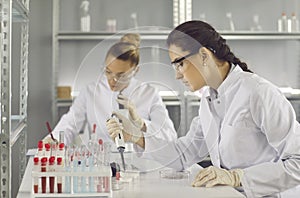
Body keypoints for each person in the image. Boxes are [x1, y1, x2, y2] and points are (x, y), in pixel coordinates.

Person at [106, 21, 300, 197]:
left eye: (180, 64)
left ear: (204, 55)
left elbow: (297, 163)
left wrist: (238, 177)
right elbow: (184, 154)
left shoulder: (258, 93)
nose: (177, 76)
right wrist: (135, 137)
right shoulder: (209, 101)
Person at [44, 33, 177, 146]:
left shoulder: (149, 93)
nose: (112, 80)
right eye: (108, 72)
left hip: (139, 164)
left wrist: (141, 123)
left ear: (136, 71)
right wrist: (54, 139)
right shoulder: (91, 91)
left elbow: (169, 136)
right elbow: (70, 123)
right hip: (100, 163)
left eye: (121, 75)